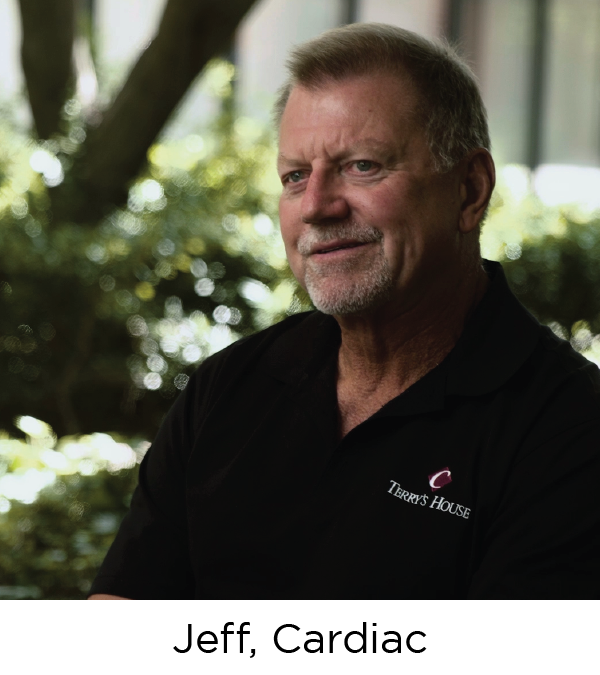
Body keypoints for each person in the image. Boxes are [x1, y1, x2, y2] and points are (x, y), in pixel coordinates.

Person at [89, 23, 600, 600]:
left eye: (363, 165)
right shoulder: (225, 389)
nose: (315, 207)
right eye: (295, 176)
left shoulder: (570, 428)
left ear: (469, 190)